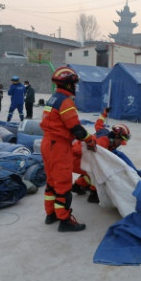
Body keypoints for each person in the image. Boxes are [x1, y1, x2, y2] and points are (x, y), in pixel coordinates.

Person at [40, 66, 97, 232]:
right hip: (59, 146)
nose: (75, 87)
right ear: (68, 84)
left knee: (51, 182)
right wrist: (90, 140)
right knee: (63, 185)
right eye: (74, 84)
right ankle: (65, 220)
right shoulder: (66, 103)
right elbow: (76, 129)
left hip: (47, 144)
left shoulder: (53, 99)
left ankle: (50, 214)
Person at [72, 106, 131, 203]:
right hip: (75, 159)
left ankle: (76, 187)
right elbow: (96, 165)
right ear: (116, 137)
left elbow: (98, 123)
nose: (121, 143)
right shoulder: (102, 144)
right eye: (121, 140)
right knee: (99, 171)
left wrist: (104, 113)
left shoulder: (105, 132)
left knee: (93, 170)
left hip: (79, 156)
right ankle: (93, 195)